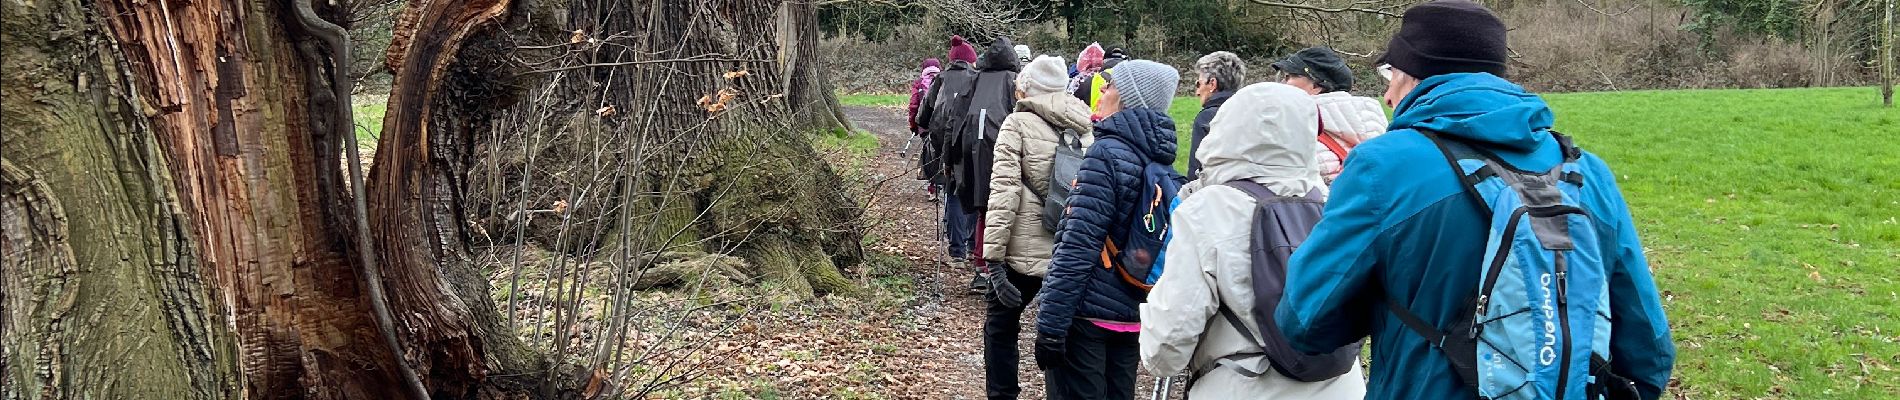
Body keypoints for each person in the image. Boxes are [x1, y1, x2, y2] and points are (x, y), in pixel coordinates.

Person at [1274, 2, 1676, 400]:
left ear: (1414, 74)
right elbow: (1649, 348)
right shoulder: (1590, 174)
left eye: (1390, 73)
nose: (1387, 93)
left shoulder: (1382, 167)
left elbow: (1304, 321)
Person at [1139, 82, 1366, 399]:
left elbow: (1168, 345)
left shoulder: (1209, 209)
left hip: (1246, 386)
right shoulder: (1331, 202)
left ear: (1226, 129)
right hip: (1342, 387)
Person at [1034, 59, 1180, 400]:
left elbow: (1076, 244)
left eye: (1110, 87)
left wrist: (1052, 326)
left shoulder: (1106, 154)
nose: (1100, 94)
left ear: (1128, 98)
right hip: (1131, 310)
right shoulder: (1159, 156)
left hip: (1087, 317)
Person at [979, 55, 1094, 400]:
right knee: (1062, 332)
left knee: (1000, 328)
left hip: (1021, 252)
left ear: (1028, 87)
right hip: (1068, 250)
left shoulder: (1017, 125)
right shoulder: (1085, 125)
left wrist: (994, 261)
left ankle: (1003, 395)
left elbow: (1004, 193)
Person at [913, 36, 982, 279]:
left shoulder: (940, 79)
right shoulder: (977, 79)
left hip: (943, 148)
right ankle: (974, 246)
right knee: (972, 193)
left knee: (952, 194)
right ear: (971, 61)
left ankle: (956, 252)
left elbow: (923, 115)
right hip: (971, 146)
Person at [1269, 47, 1387, 184]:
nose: (1283, 83)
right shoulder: (1377, 125)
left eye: (1290, 76)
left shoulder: (1297, 135)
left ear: (1316, 86)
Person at [1185, 51, 1245, 181]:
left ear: (1212, 84)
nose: (1197, 92)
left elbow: (1196, 173)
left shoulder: (1207, 118)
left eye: (1198, 84)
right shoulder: (1250, 113)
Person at [908, 58, 944, 200]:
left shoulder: (919, 83)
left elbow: (914, 106)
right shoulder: (943, 80)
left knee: (929, 156)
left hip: (925, 127)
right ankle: (942, 184)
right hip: (941, 124)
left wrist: (913, 125)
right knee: (942, 153)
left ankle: (932, 188)